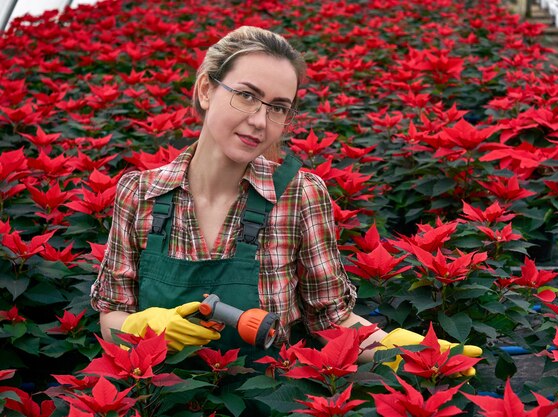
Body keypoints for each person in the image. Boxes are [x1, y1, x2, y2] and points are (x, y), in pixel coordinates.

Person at [90, 26, 480, 365]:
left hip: (265, 396)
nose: (259, 121)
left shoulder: (300, 195)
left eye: (278, 108)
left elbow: (332, 322)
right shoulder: (140, 193)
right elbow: (112, 318)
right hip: (160, 398)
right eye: (245, 95)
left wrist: (404, 352)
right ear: (207, 89)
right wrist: (140, 327)